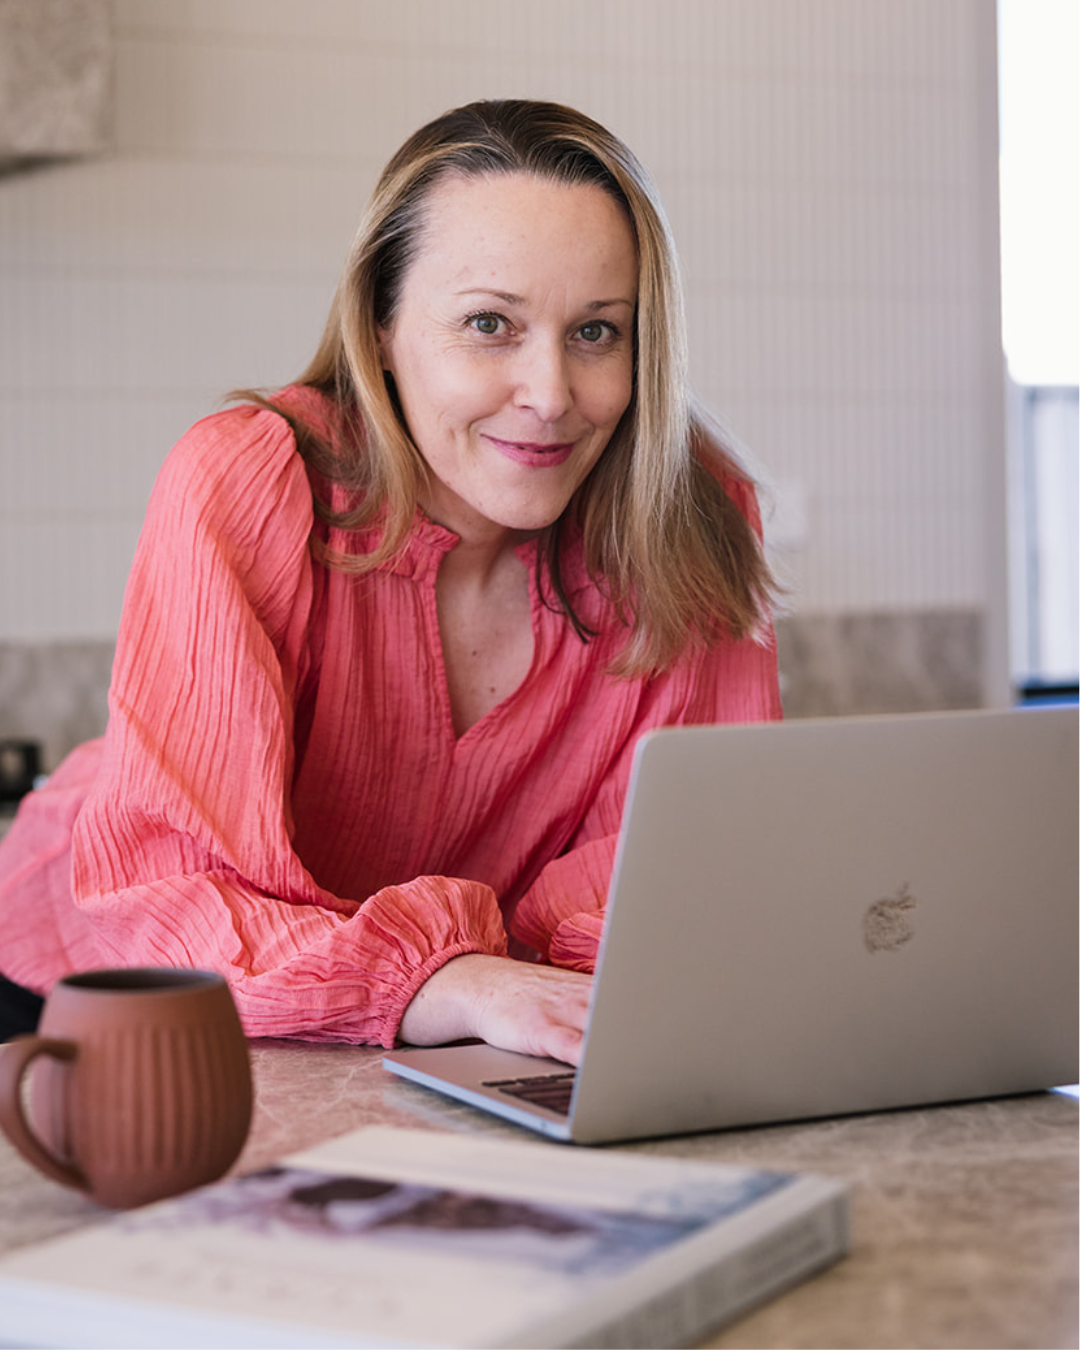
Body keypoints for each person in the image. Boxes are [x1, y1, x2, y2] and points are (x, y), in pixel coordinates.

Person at [0, 99, 781, 1057]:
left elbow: (669, 876)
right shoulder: (251, 483)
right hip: (121, 989)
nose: (550, 394)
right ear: (380, 329)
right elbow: (171, 889)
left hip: (466, 1017)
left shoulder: (694, 519)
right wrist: (446, 980)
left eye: (597, 333)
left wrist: (529, 985)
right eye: (489, 324)